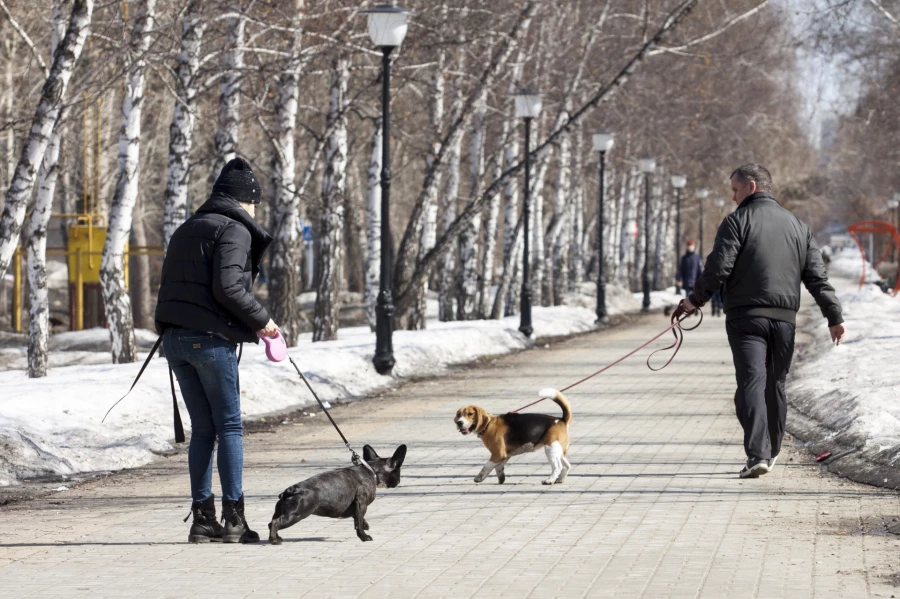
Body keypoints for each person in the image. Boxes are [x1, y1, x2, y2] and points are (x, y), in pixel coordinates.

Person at [675, 164, 845, 479]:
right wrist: (834, 315)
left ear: (751, 186)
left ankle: (758, 454)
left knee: (751, 384)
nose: (733, 197)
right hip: (784, 321)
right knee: (775, 384)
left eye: (735, 190)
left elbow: (718, 268)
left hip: (746, 319)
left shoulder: (736, 221)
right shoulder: (798, 226)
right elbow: (816, 277)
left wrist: (693, 301)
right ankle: (772, 449)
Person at [155, 158, 280, 543]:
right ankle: (234, 521)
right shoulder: (235, 229)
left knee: (204, 430)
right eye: (255, 203)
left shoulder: (186, 228)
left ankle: (202, 519)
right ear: (245, 199)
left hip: (174, 341)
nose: (256, 211)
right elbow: (229, 288)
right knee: (228, 426)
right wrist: (264, 321)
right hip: (209, 341)